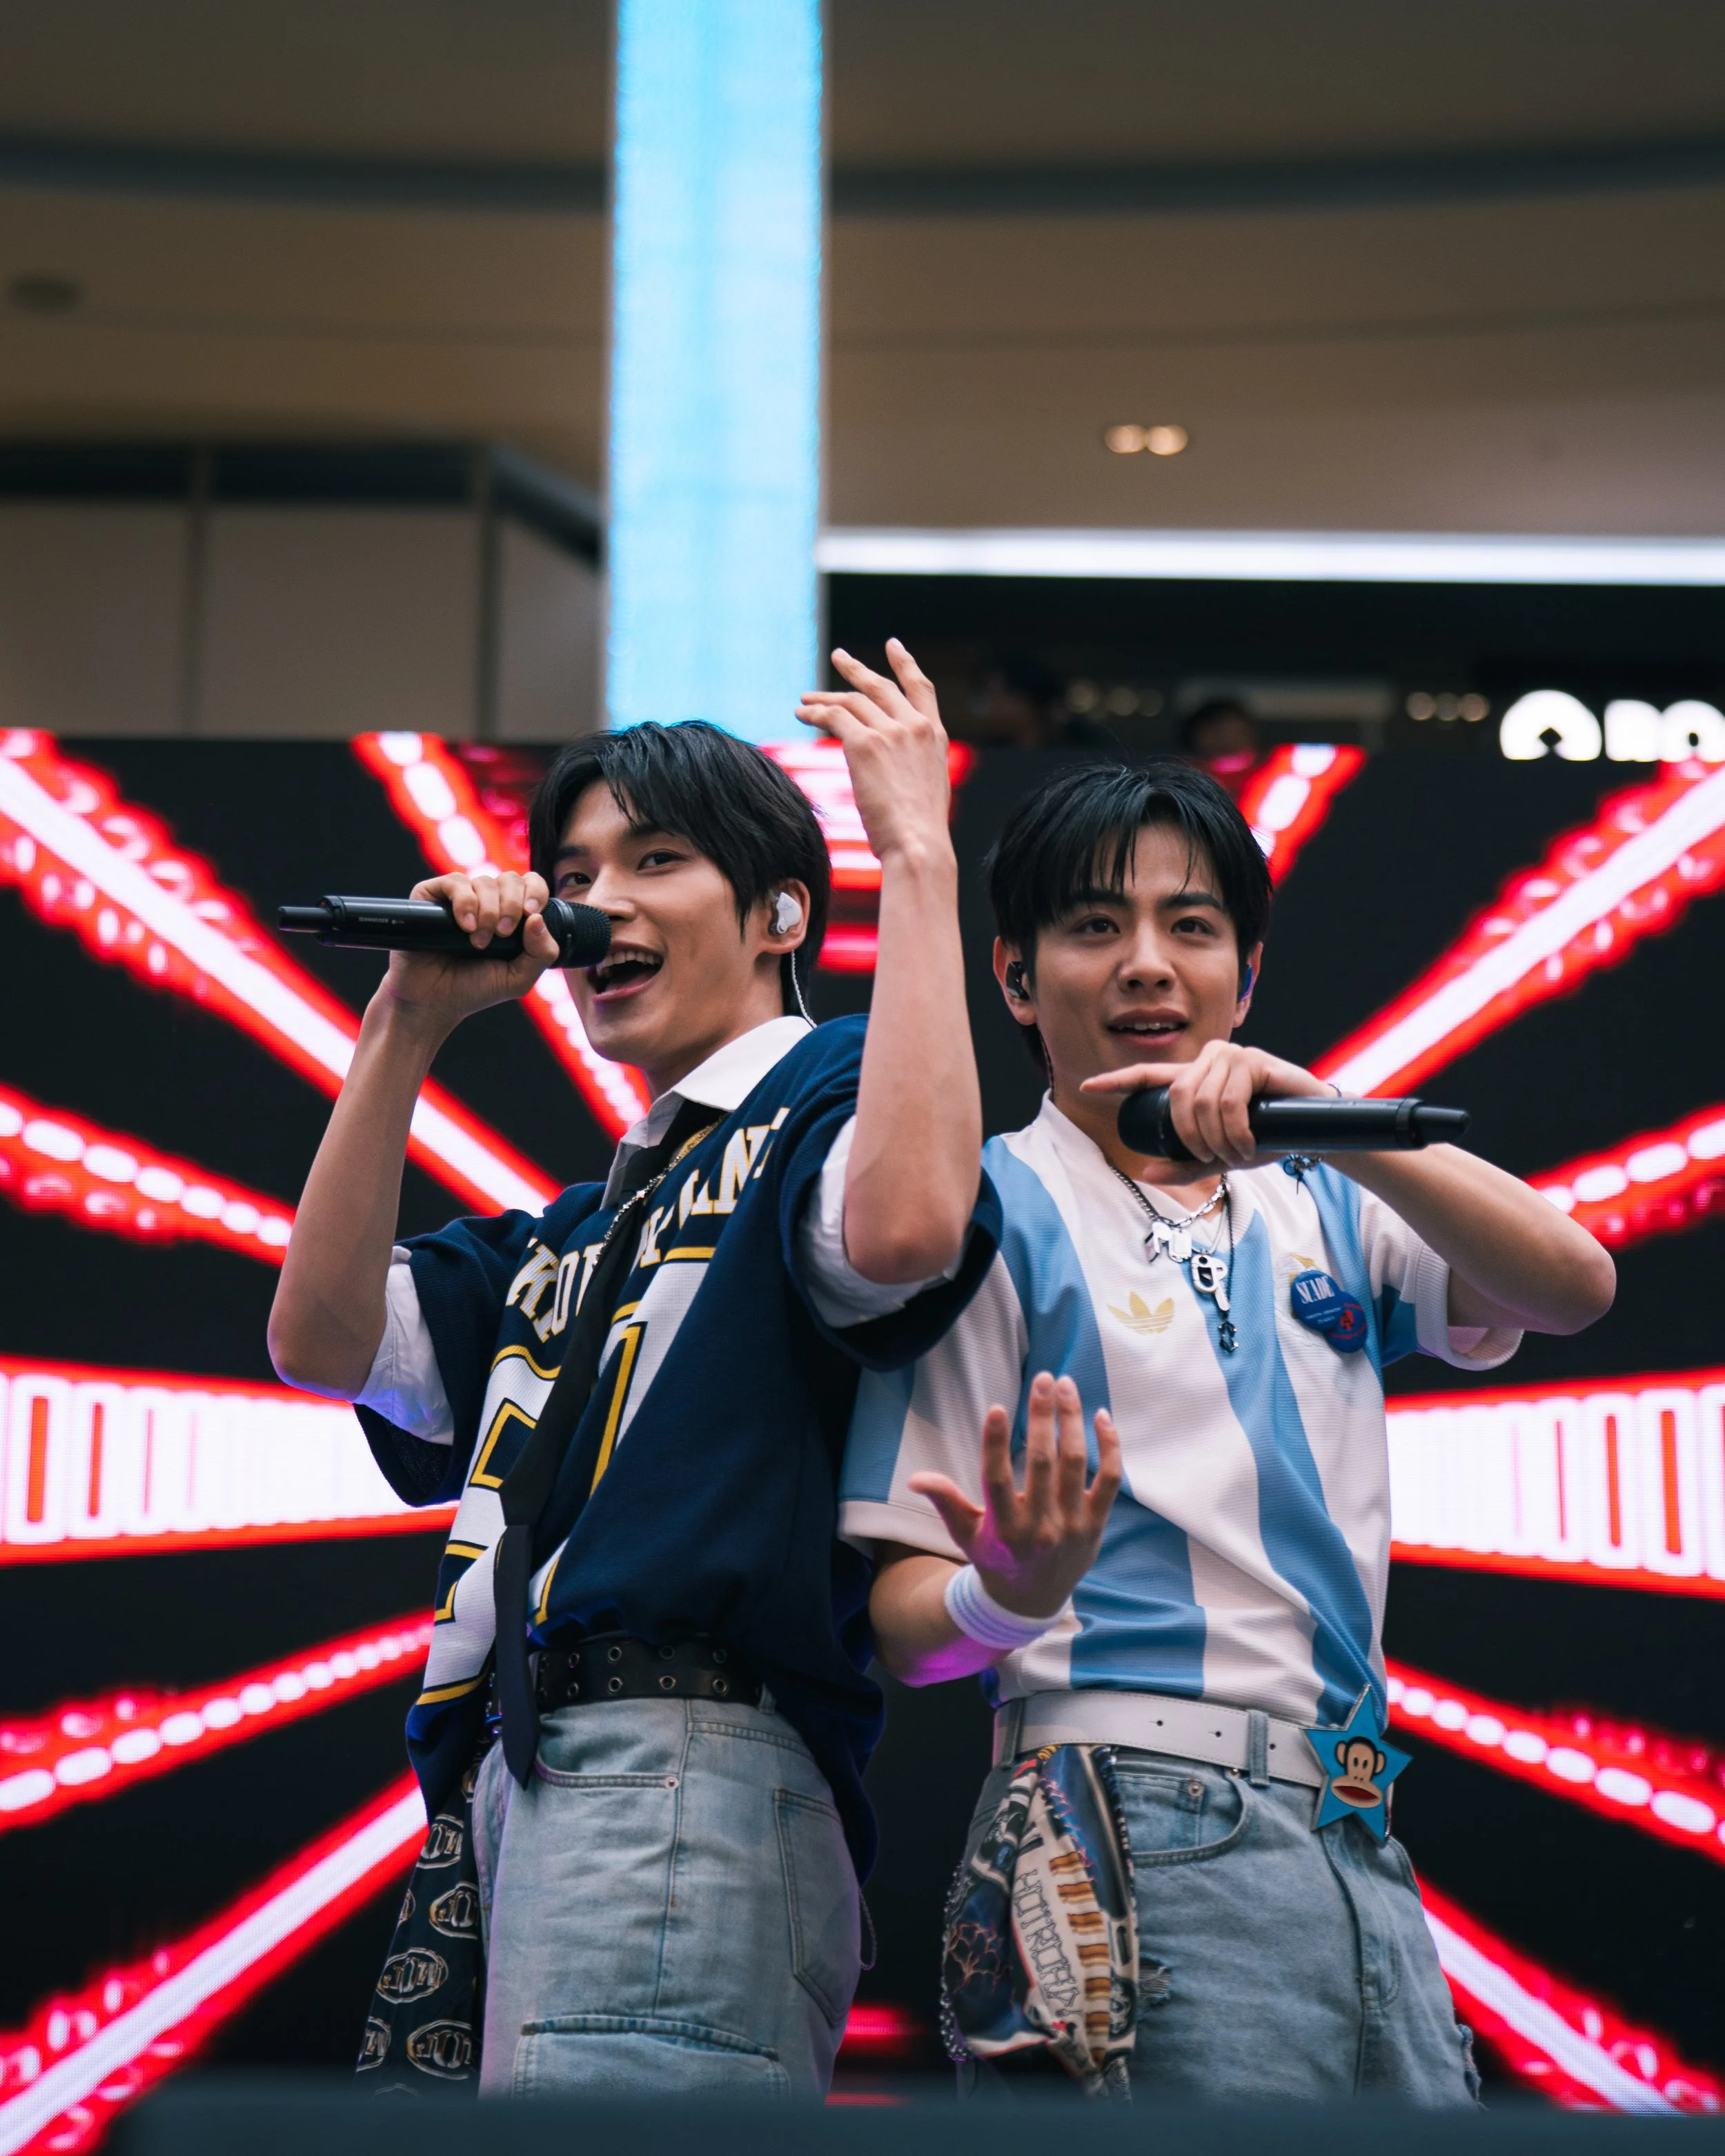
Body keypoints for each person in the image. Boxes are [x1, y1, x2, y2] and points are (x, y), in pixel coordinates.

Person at [268, 643, 998, 2100]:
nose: (593, 897)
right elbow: (319, 1342)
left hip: (685, 1762)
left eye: (655, 857)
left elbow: (910, 1222)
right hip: (516, 1784)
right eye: (575, 864)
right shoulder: (575, 1222)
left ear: (780, 906)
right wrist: (403, 1023)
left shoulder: (818, 1097)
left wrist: (913, 852)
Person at [839, 759, 1615, 2103]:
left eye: (1188, 926)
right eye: (1093, 926)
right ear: (1013, 977)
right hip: (1130, 1812)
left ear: (1243, 975)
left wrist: (1321, 1113)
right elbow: (902, 1621)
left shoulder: (1325, 1196)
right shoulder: (984, 1215)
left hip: (1351, 1822)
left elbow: (1571, 1284)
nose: (1146, 963)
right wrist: (1003, 1589)